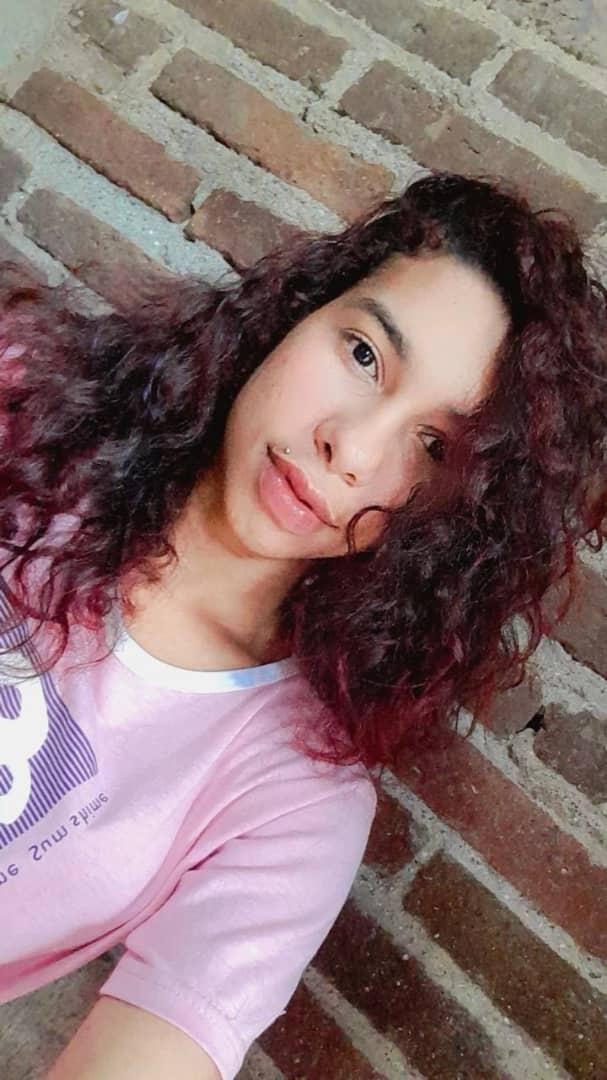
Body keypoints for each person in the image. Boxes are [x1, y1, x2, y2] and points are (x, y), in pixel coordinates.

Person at [0, 172, 605, 1079]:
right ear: (299, 309)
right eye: (363, 354)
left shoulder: (294, 805)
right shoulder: (25, 397)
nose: (350, 448)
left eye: (432, 448)